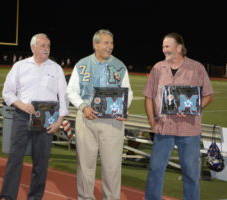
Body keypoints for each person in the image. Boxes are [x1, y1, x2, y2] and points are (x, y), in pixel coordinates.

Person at [144, 32, 213, 200]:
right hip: (163, 127)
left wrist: (192, 107)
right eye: (163, 46)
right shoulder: (158, 68)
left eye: (167, 46)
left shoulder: (197, 68)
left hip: (189, 129)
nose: (164, 49)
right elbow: (149, 96)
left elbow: (208, 95)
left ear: (179, 47)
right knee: (155, 169)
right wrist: (152, 122)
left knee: (190, 172)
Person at [0, 33, 69, 200]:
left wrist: (59, 121)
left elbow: (64, 98)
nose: (46, 49)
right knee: (15, 159)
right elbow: (7, 93)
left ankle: (35, 197)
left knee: (41, 163)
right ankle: (7, 196)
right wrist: (21, 105)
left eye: (48, 46)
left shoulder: (56, 68)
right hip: (22, 117)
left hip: (47, 119)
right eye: (43, 46)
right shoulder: (20, 66)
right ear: (33, 47)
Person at [66, 29, 133, 200]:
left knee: (112, 167)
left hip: (112, 122)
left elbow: (128, 92)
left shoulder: (120, 66)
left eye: (111, 43)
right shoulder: (82, 64)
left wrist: (124, 107)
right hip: (87, 119)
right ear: (95, 44)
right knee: (85, 165)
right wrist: (82, 106)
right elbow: (71, 91)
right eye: (106, 43)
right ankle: (85, 197)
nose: (110, 46)